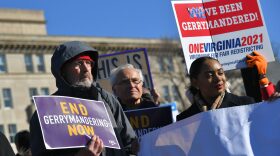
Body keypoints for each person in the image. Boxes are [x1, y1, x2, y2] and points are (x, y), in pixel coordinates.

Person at [29, 41, 137, 156]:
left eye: (89, 63)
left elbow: (130, 144)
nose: (86, 68)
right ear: (63, 71)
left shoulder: (106, 99)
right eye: (79, 63)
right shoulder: (47, 110)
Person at [177, 57, 255, 121]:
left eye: (220, 73)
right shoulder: (185, 119)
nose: (218, 79)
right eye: (209, 75)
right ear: (195, 82)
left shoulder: (246, 104)